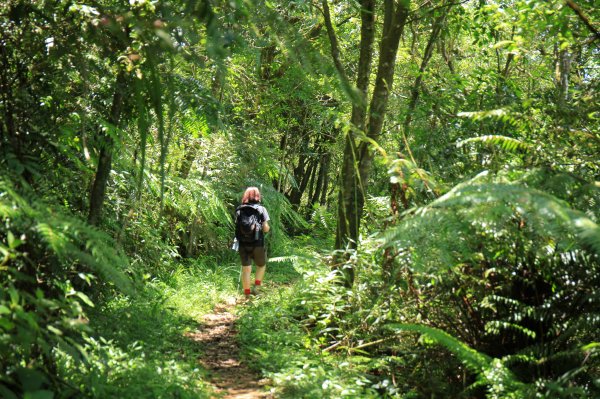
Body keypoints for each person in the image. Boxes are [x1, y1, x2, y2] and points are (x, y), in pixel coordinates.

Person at [235, 187, 270, 298]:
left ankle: (246, 294)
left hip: (243, 243)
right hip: (257, 243)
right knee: (261, 265)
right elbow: (265, 229)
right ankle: (256, 288)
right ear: (257, 196)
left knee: (246, 269)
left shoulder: (239, 209)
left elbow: (237, 226)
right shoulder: (261, 209)